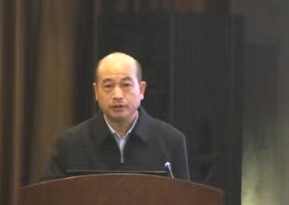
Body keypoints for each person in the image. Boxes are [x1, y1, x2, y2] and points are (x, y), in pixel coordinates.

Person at [43, 52, 190, 180]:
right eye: (108, 86)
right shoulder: (69, 144)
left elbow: (183, 200)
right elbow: (50, 199)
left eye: (126, 85)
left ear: (141, 90)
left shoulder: (171, 142)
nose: (117, 95)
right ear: (96, 91)